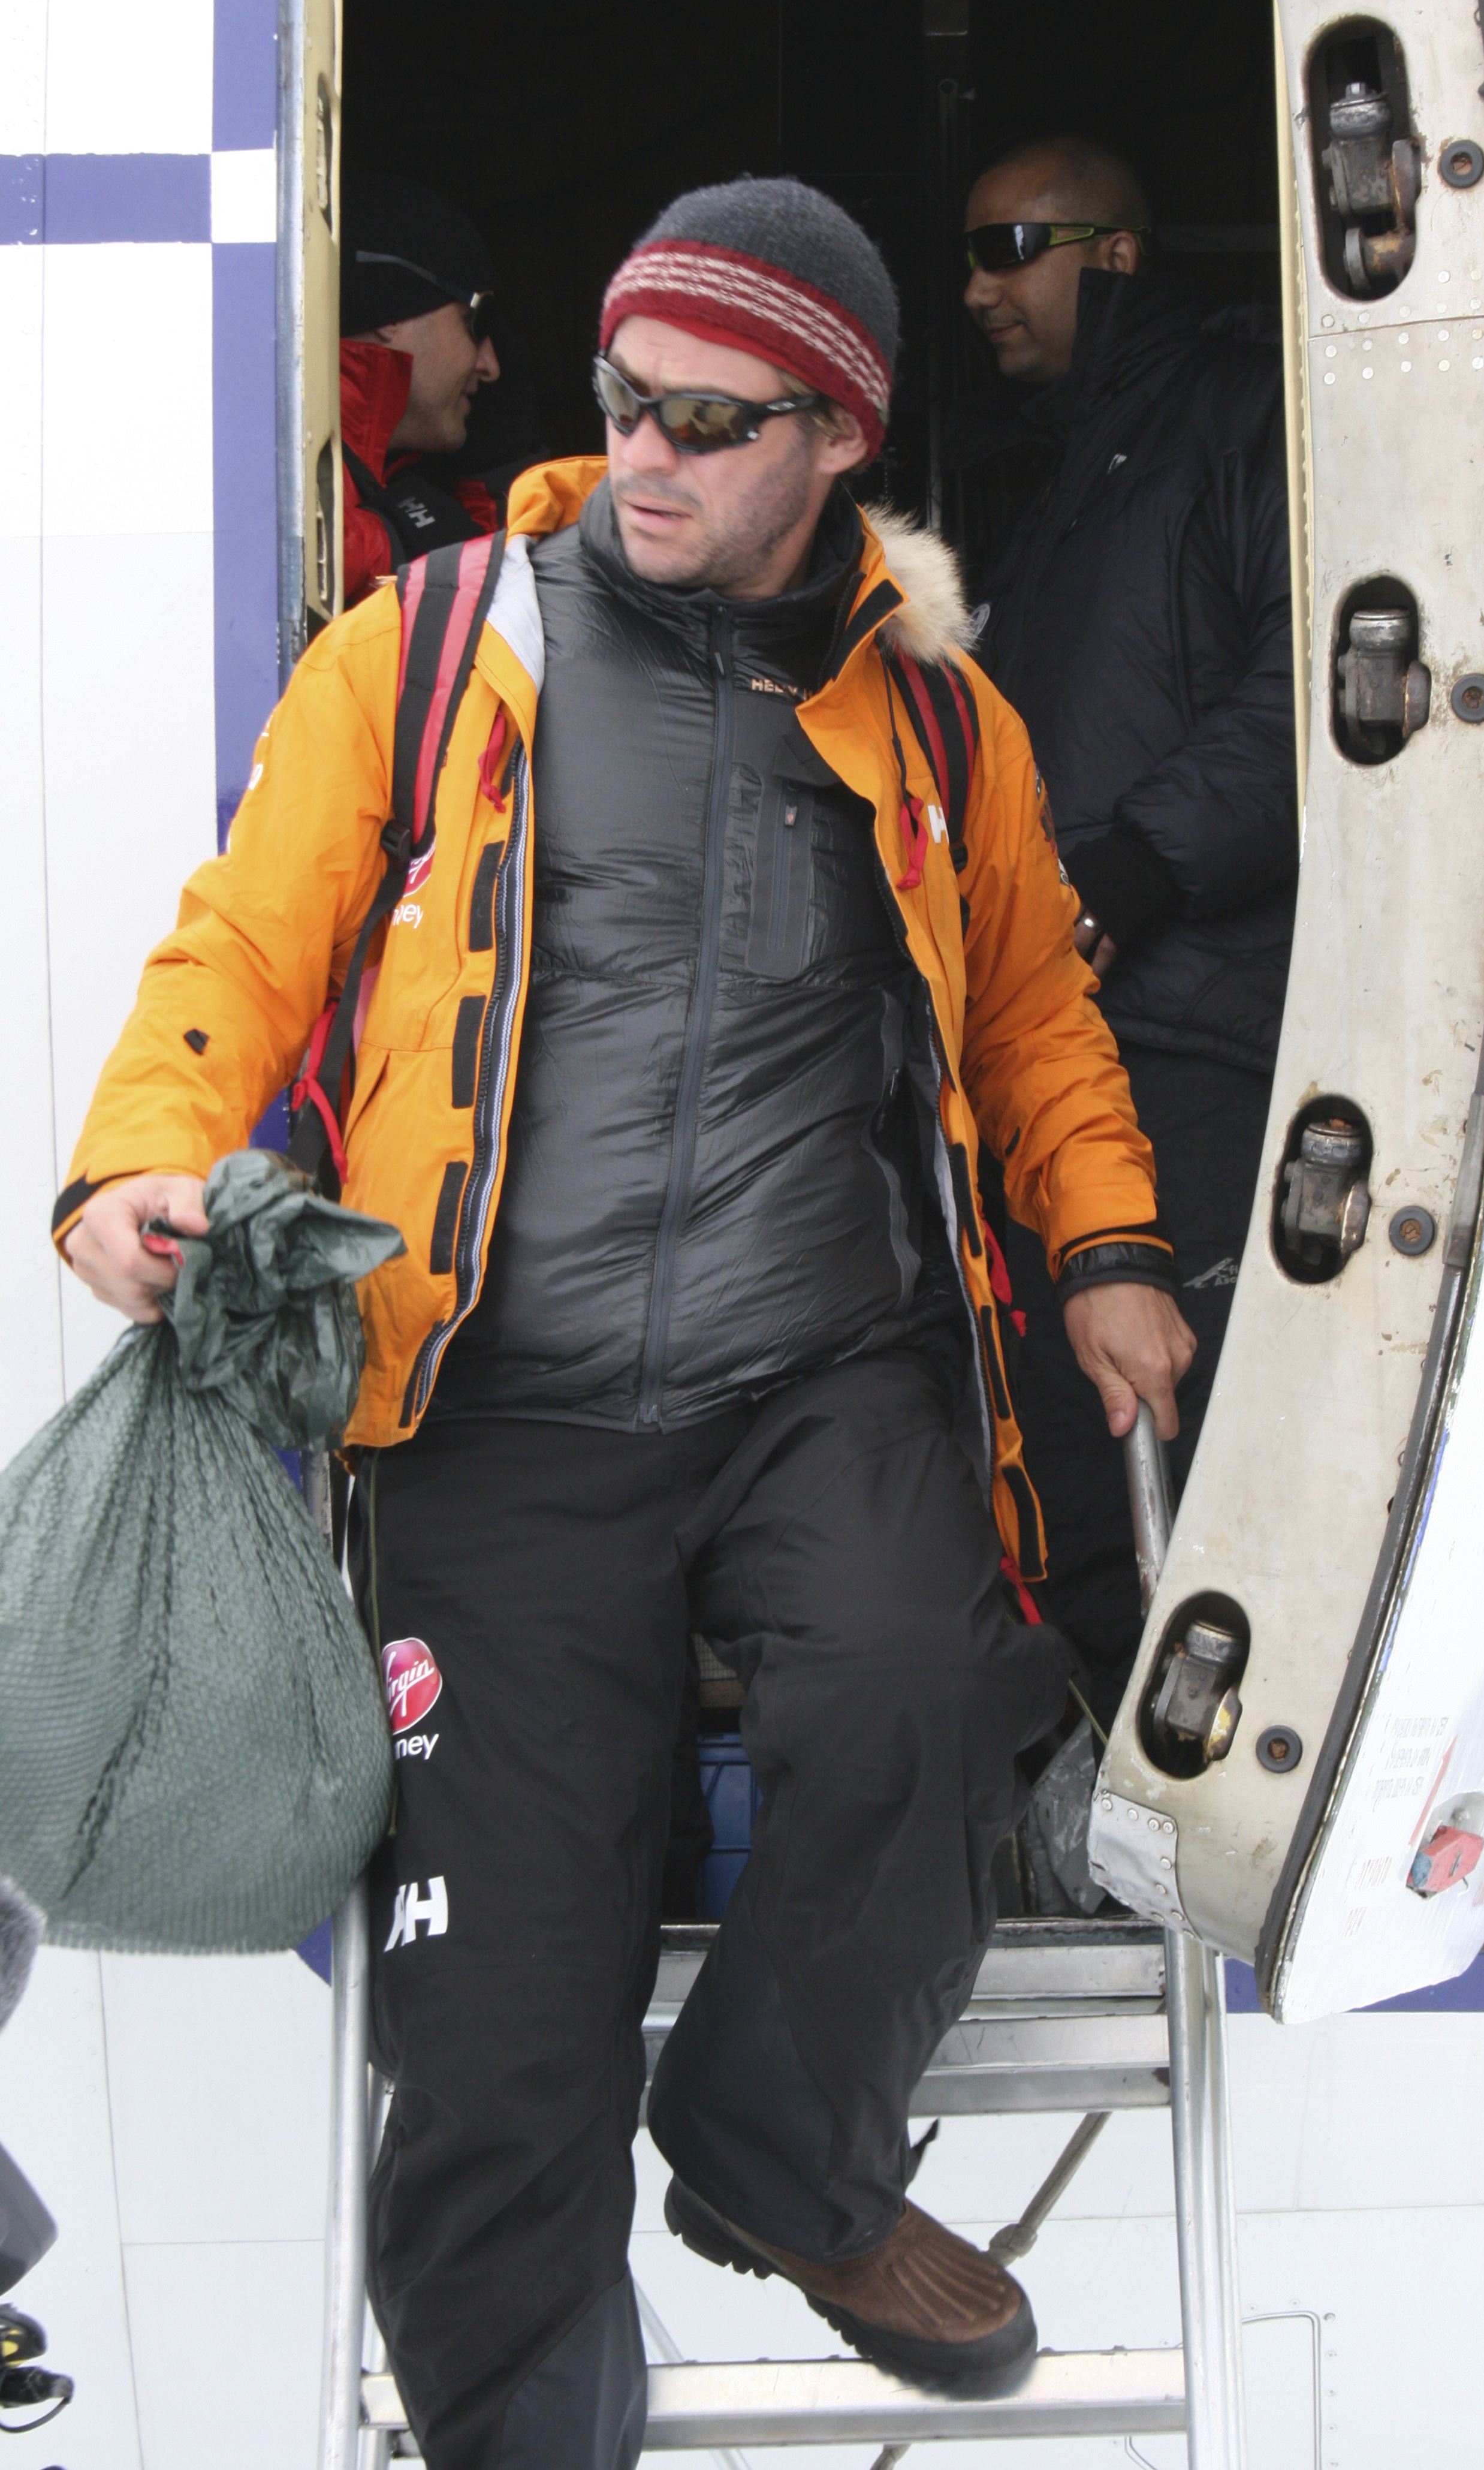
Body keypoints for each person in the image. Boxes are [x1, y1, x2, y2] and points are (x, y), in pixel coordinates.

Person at [58, 177, 1194, 2470]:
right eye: (620, 404)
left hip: (825, 1377)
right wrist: (134, 1158)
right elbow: (239, 938)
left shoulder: (942, 727)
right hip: (494, 1405)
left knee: (926, 1700)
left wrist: (1106, 1254)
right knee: (495, 2043)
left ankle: (782, 2153)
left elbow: (1039, 1022)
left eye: (710, 417)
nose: (646, 454)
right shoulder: (430, 642)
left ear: (832, 443)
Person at [958, 131, 1297, 1714]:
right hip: (1056, 1055)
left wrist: (1131, 874)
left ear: (1112, 254)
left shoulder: (1239, 416)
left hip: (1195, 1032)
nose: (974, 287)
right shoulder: (1057, 491)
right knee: (1069, 1468)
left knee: (1183, 1462)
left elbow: (1320, 688)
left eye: (1007, 243)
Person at [340, 172, 547, 605]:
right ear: (389, 308)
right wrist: (390, 544)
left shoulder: (396, 487)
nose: (491, 366)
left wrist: (501, 472)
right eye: (477, 321)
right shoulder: (269, 462)